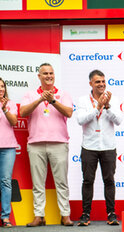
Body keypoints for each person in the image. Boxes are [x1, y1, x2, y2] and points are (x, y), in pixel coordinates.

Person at [20, 63, 74, 227]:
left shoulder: (63, 94)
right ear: (39, 76)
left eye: (51, 73)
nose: (48, 76)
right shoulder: (30, 94)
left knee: (62, 182)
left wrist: (52, 100)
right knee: (38, 183)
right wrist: (39, 100)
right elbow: (22, 112)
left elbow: (69, 113)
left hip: (59, 143)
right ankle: (39, 216)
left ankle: (65, 215)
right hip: (36, 144)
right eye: (45, 73)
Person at [76, 70, 122, 226]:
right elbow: (81, 120)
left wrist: (107, 106)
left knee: (109, 180)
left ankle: (111, 214)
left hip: (108, 146)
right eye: (97, 82)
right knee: (88, 181)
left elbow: (119, 120)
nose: (101, 84)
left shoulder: (113, 99)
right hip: (89, 146)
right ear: (91, 84)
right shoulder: (83, 100)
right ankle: (85, 215)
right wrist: (97, 107)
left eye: (103, 81)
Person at [0, 77, 18, 228]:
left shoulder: (10, 104)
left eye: (2, 86)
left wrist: (5, 109)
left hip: (8, 149)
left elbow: (14, 122)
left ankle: (5, 217)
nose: (1, 89)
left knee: (6, 181)